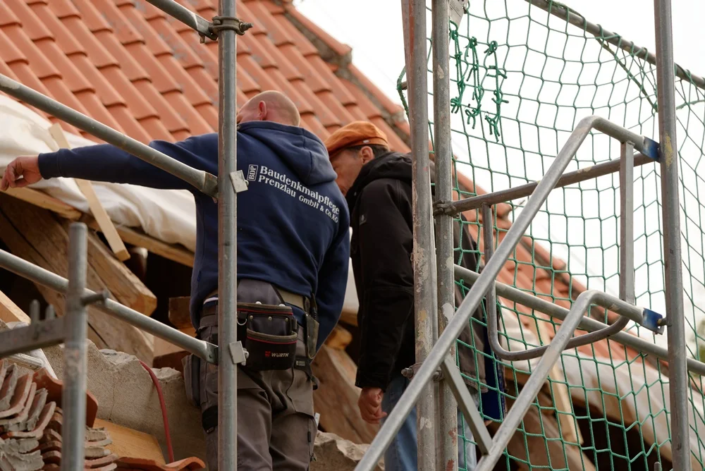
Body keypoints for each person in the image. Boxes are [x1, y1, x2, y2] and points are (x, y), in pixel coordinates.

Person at [1, 91, 350, 470]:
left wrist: (46, 163)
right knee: (293, 461)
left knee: (241, 456)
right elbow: (330, 297)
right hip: (297, 338)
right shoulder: (333, 198)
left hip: (240, 313)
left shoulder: (236, 149)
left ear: (261, 110)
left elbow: (136, 160)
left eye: (238, 116)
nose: (232, 124)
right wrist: (302, 347)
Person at [325, 121, 498, 471]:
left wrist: (374, 375)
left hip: (415, 362)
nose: (335, 183)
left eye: (336, 168)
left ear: (365, 153)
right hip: (460, 360)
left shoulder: (377, 193)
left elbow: (390, 286)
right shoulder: (440, 198)